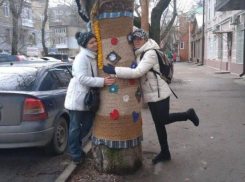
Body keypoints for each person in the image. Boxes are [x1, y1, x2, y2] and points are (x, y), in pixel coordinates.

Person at [103, 29, 199, 165]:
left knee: (163, 119)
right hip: (151, 93)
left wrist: (115, 70)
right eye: (134, 39)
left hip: (160, 93)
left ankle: (188, 114)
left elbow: (138, 71)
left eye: (139, 39)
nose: (136, 41)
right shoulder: (140, 52)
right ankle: (165, 152)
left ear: (145, 40)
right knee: (159, 124)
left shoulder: (150, 53)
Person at [64, 31, 115, 164]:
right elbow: (81, 78)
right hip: (78, 97)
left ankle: (76, 146)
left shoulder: (92, 56)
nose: (95, 44)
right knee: (75, 127)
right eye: (91, 42)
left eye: (95, 41)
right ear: (85, 45)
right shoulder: (82, 58)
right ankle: (75, 153)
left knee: (87, 125)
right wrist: (102, 81)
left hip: (88, 98)